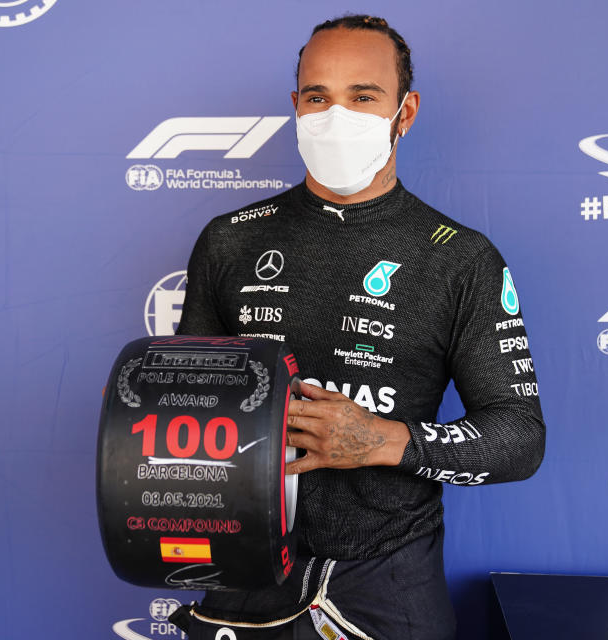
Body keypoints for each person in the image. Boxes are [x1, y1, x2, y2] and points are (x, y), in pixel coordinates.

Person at [171, 14, 545, 640]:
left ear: (406, 110)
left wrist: (381, 441)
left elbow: (519, 438)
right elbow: (189, 401)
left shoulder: (458, 257)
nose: (334, 115)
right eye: (318, 96)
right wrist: (145, 410)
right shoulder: (230, 241)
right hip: (243, 564)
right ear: (296, 106)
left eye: (362, 96)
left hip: (389, 574)